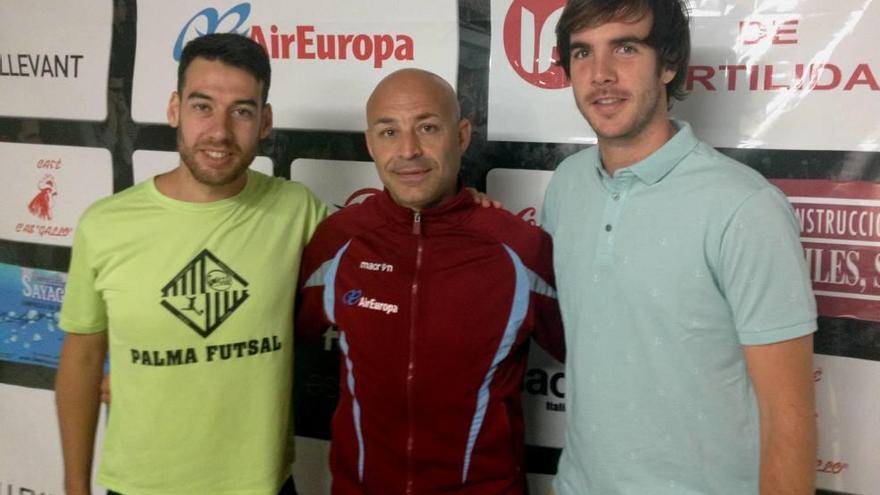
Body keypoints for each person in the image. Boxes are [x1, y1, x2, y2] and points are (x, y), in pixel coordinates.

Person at [543, 1, 818, 493]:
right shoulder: (566, 186)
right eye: (583, 53)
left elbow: (788, 419)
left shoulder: (746, 207)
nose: (600, 74)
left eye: (625, 48)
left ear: (668, 64)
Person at [55, 33, 326, 495]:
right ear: (174, 109)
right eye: (202, 106)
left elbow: (386, 251)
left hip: (261, 485)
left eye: (241, 110)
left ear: (265, 121)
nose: (219, 131)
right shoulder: (104, 224)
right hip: (140, 484)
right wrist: (75, 487)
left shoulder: (297, 210)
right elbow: (81, 359)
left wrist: (469, 209)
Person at [296, 68, 565, 495]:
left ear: (460, 136)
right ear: (370, 144)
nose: (408, 150)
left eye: (427, 127)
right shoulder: (337, 242)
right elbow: (273, 340)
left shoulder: (521, 250)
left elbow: (596, 361)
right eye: (388, 132)